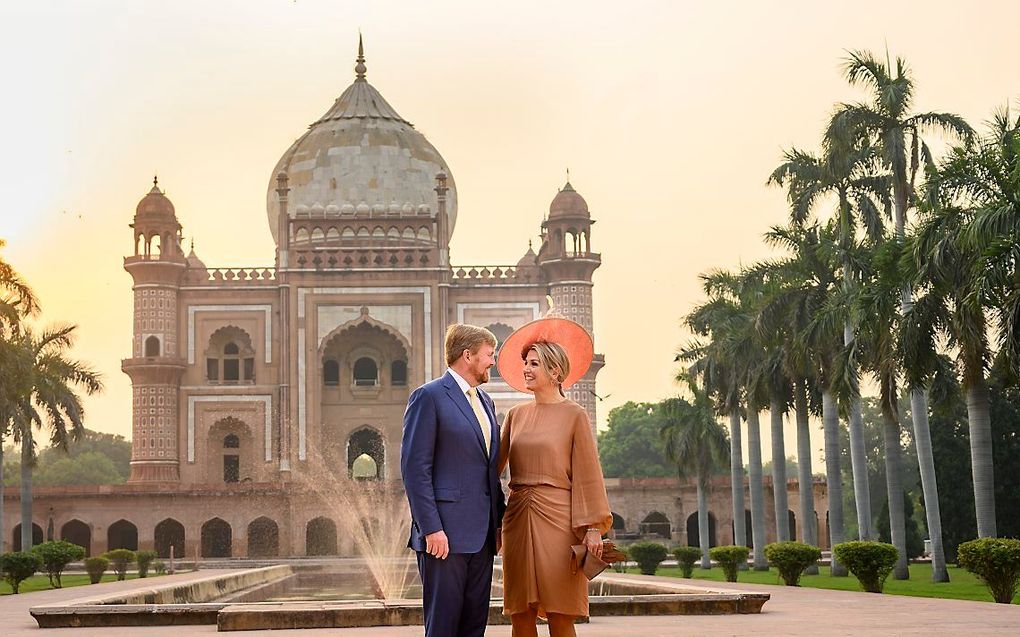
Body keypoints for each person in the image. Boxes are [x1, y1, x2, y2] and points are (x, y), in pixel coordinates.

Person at [496, 317, 612, 637]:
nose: (527, 369)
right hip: (518, 518)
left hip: (559, 521)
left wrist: (592, 528)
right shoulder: (515, 416)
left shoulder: (574, 414)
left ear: (555, 372)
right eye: (526, 363)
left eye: (534, 363)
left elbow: (588, 474)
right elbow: (491, 469)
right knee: (520, 613)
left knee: (561, 612)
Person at [401, 324, 506, 637]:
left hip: (482, 537)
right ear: (468, 355)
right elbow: (414, 469)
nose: (493, 362)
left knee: (473, 626)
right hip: (444, 537)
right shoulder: (429, 396)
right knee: (444, 626)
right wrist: (431, 527)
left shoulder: (486, 403)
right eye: (489, 355)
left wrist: (497, 524)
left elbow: (489, 471)